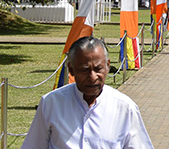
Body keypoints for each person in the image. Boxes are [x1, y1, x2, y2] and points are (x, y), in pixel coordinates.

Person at [22, 36, 154, 148]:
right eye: (84, 70)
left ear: (108, 66)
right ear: (71, 69)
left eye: (98, 69)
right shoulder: (51, 104)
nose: (92, 77)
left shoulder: (125, 108)